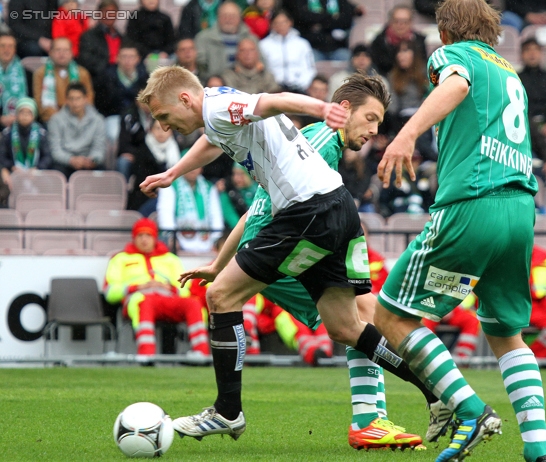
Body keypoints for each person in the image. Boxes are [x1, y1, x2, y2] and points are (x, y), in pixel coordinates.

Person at [137, 68, 447, 449]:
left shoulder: (222, 107)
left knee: (221, 297)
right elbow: (214, 141)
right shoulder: (218, 110)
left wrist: (323, 108)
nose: (165, 128)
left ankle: (228, 410)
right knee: (347, 327)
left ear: (184, 99)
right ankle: (436, 396)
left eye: (165, 117)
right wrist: (173, 172)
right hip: (336, 209)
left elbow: (272, 100)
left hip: (305, 213)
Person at [372, 1, 546, 461]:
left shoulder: (455, 56)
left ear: (444, 29)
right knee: (506, 334)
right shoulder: (509, 71)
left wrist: (406, 134)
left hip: (472, 204)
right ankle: (539, 451)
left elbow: (456, 83)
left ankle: (470, 411)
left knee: (391, 316)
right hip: (520, 209)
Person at [103, 217, 210, 359]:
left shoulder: (171, 259)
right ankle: (146, 354)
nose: (144, 240)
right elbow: (110, 293)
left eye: (148, 235)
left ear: (155, 238)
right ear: (134, 238)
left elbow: (185, 288)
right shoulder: (120, 259)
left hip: (169, 298)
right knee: (145, 302)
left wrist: (168, 287)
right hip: (139, 299)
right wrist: (137, 287)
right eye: (140, 235)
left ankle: (201, 353)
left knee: (193, 303)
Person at [156, 165, 225, 253]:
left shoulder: (209, 187)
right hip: (177, 245)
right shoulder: (170, 186)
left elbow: (216, 216)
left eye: (196, 165)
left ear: (201, 168)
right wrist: (172, 238)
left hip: (207, 244)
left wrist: (216, 240)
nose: (192, 169)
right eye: (189, 165)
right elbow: (165, 214)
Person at [48, 82, 105, 178]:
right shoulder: (55, 120)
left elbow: (99, 150)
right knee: (55, 171)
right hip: (65, 163)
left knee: (103, 172)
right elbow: (55, 150)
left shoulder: (98, 120)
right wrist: (71, 160)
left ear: (85, 99)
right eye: (71, 99)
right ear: (66, 100)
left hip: (89, 162)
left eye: (78, 98)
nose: (75, 103)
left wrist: (92, 160)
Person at [32, 37, 94, 123]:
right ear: (50, 53)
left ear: (72, 53)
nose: (62, 54)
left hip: (78, 119)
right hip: (51, 119)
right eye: (58, 50)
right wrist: (60, 118)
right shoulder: (40, 73)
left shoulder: (82, 73)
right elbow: (39, 102)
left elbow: (89, 98)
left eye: (66, 50)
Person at [77, 0, 123, 116]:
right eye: (105, 12)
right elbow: (86, 60)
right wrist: (110, 64)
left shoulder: (123, 37)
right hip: (99, 81)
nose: (109, 15)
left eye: (112, 12)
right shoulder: (88, 36)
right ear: (98, 14)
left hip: (120, 79)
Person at [259, 9, 316, 93]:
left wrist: (301, 84)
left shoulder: (302, 44)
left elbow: (309, 69)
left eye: (284, 22)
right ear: (272, 25)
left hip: (299, 89)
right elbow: (263, 69)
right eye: (277, 23)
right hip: (273, 89)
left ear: (290, 22)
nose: (281, 25)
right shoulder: (263, 45)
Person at [0, 97, 52, 190]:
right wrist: (12, 167)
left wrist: (37, 168)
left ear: (34, 116)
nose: (25, 116)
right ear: (16, 114)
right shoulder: (8, 133)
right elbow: (2, 156)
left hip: (36, 173)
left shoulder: (41, 133)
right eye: (22, 112)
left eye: (29, 113)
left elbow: (47, 156)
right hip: (13, 172)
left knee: (50, 183)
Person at [195, 1, 256, 80]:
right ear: (218, 17)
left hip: (246, 85)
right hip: (214, 84)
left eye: (232, 16)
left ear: (239, 18)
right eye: (225, 16)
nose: (228, 20)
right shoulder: (203, 38)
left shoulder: (251, 38)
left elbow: (261, 65)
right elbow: (200, 68)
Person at [369, 5, 428, 77]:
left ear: (410, 22)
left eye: (405, 21)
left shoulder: (419, 42)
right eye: (396, 21)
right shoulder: (379, 43)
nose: (400, 25)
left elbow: (422, 67)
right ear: (390, 21)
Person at [0, 33, 28, 130]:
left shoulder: (25, 71)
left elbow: (28, 102)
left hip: (18, 119)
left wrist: (18, 116)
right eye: (2, 46)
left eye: (10, 46)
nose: (6, 50)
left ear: (15, 50)